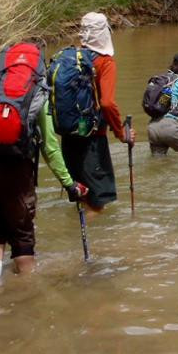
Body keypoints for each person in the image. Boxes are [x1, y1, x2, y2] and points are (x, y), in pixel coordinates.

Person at [0, 43, 88, 283]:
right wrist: (69, 184)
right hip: (13, 169)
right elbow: (49, 146)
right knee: (22, 236)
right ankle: (28, 291)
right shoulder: (39, 92)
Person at [57, 12, 132, 215]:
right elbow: (107, 103)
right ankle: (99, 246)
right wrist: (121, 132)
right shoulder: (105, 62)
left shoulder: (71, 58)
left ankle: (75, 243)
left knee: (82, 195)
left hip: (69, 136)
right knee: (97, 203)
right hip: (92, 140)